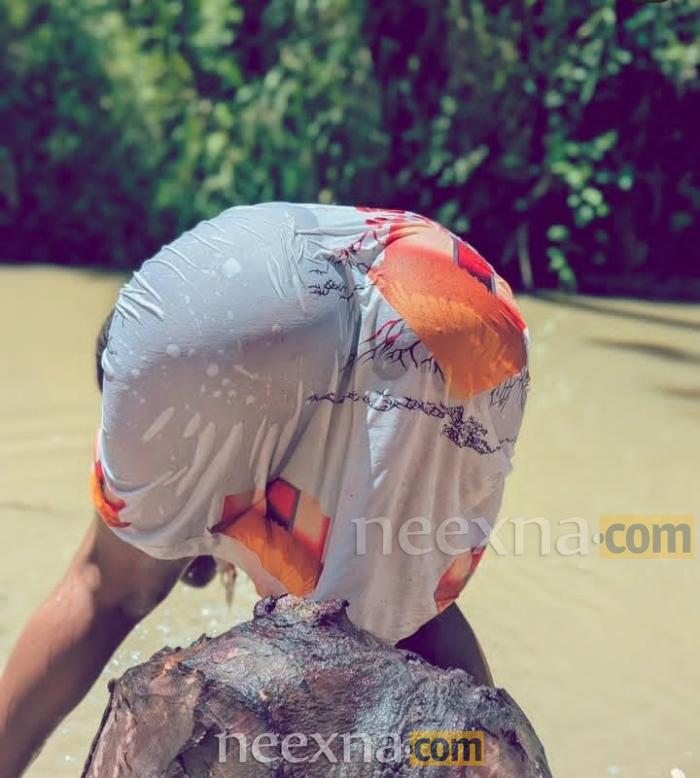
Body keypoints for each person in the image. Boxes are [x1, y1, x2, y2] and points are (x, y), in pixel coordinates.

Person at [0, 202, 529, 776]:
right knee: (411, 618)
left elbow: (113, 587)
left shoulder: (186, 427)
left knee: (107, 587)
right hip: (458, 299)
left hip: (220, 311)